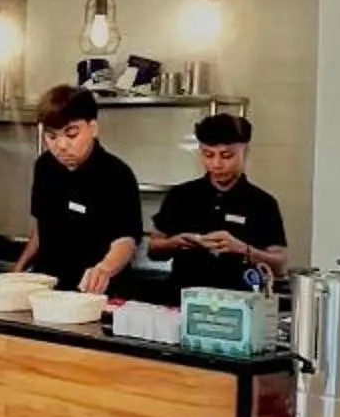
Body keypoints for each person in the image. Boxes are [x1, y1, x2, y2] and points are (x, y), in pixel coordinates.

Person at [17, 83, 144, 295]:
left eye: (71, 134)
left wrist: (103, 270)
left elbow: (126, 240)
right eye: (52, 137)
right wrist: (17, 271)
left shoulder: (117, 174)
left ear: (93, 128)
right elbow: (42, 225)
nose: (61, 146)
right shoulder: (45, 166)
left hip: (96, 292)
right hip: (48, 288)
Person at [149, 112, 288, 290]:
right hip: (184, 300)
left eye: (226, 156)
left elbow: (279, 264)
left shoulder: (262, 203)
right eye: (208, 155)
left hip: (240, 303)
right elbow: (153, 249)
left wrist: (243, 250)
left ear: (245, 151)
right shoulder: (181, 195)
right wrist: (176, 242)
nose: (216, 164)